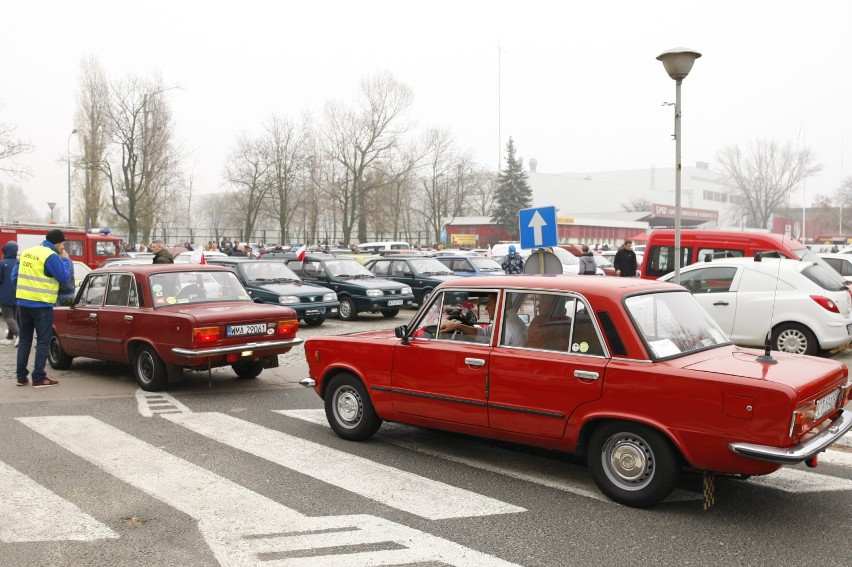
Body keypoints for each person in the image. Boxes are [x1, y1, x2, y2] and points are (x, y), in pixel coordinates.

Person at [12, 229, 72, 387]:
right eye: (63, 244)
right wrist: (65, 260)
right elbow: (64, 278)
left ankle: (21, 377)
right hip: (42, 305)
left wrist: (24, 293)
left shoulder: (27, 252)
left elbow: (14, 277)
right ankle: (38, 377)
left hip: (23, 303)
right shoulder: (50, 255)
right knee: (43, 340)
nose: (63, 248)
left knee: (24, 339)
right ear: (57, 243)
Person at [438, 293, 526, 346]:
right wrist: (456, 325)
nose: (486, 308)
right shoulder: (505, 322)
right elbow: (483, 333)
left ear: (500, 305)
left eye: (490, 304)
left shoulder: (507, 327)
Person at [0, 241, 20, 346]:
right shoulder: (18, 262)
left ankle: (18, 335)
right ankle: (9, 337)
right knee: (14, 316)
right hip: (17, 293)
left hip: (4, 293)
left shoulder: (2, 263)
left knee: (8, 316)